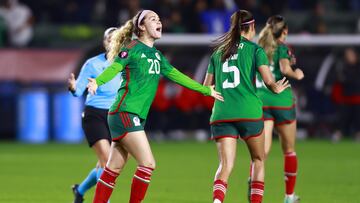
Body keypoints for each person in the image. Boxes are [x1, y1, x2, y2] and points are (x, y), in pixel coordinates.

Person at [86, 10, 223, 203]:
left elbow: (177, 76)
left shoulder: (157, 56)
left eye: (159, 19)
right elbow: (115, 67)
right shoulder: (132, 48)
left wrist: (205, 90)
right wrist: (97, 82)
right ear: (141, 27)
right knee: (148, 164)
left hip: (127, 115)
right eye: (153, 19)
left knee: (113, 169)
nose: (159, 21)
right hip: (125, 112)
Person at [203, 10, 289, 203]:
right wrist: (276, 87)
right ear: (251, 27)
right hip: (248, 113)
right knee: (258, 160)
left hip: (222, 114)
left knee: (225, 165)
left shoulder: (218, 52)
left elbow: (206, 87)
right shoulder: (255, 50)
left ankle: (217, 201)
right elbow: (268, 81)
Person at [67, 27, 119, 203]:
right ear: (104, 43)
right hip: (94, 115)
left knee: (102, 164)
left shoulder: (126, 64)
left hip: (115, 116)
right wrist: (74, 88)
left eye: (116, 39)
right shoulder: (92, 64)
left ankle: (80, 191)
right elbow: (78, 90)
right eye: (109, 39)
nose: (112, 42)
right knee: (107, 161)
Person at [256, 15, 304, 203]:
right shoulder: (282, 48)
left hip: (261, 101)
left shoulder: (258, 48)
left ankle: (254, 182)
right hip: (281, 101)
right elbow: (284, 69)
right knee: (289, 149)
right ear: (283, 32)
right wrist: (297, 74)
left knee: (261, 153)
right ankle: (289, 196)